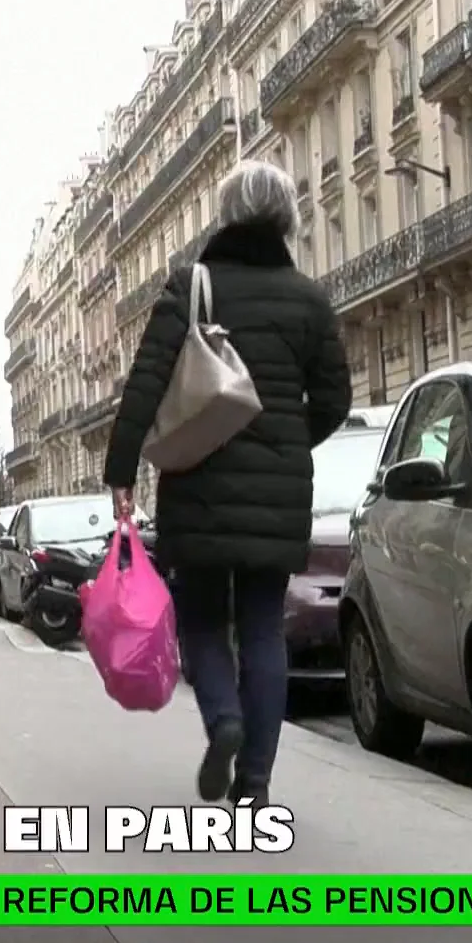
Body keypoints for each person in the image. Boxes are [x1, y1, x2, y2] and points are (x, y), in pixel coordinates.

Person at [101, 160, 351, 810]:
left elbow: (147, 382)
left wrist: (121, 472)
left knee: (204, 622)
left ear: (226, 212)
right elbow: (333, 400)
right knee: (265, 630)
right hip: (280, 494)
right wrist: (287, 444)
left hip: (197, 482)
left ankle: (224, 721)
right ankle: (257, 785)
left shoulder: (193, 285)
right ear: (288, 216)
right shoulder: (308, 299)